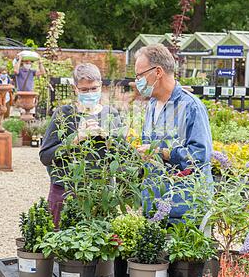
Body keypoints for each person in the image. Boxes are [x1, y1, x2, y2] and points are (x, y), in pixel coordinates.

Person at [134, 44, 213, 223]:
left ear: (158, 72)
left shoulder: (191, 106)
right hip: (153, 206)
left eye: (139, 75)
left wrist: (161, 152)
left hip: (183, 210)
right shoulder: (152, 105)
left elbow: (200, 156)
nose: (137, 80)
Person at [39, 63, 122, 227]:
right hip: (66, 191)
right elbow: (45, 156)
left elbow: (121, 157)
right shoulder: (64, 114)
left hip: (100, 193)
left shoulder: (110, 114)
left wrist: (108, 140)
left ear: (101, 86)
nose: (89, 93)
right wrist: (75, 139)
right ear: (75, 89)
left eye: (94, 88)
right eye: (84, 90)